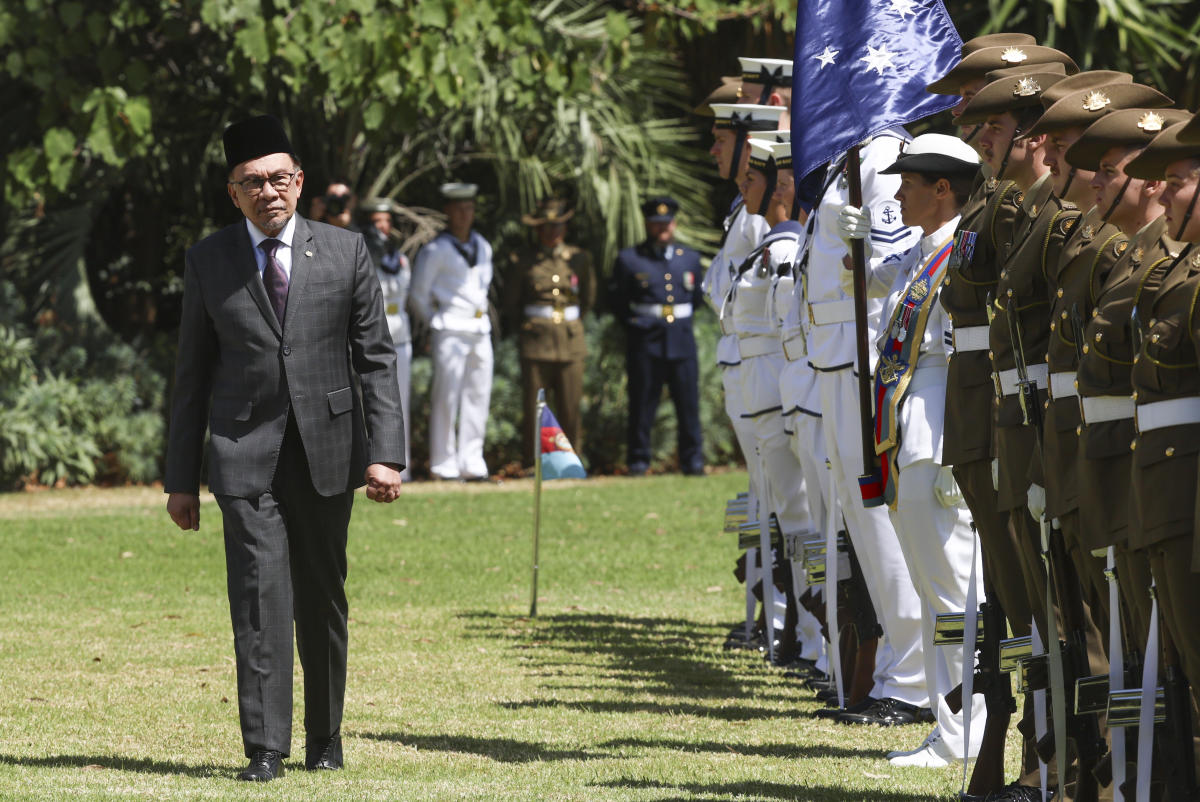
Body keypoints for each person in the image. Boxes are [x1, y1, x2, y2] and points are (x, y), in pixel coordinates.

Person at [163, 114, 405, 781]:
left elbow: (376, 360)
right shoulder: (209, 260)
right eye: (251, 182)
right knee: (258, 597)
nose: (268, 191)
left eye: (278, 178)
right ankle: (264, 749)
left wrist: (385, 453)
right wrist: (179, 479)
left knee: (321, 597)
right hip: (242, 452)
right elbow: (190, 376)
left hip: (327, 449)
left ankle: (325, 738)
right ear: (232, 192)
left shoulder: (346, 251)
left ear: (298, 182)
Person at [841, 133, 988, 767]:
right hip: (907, 429)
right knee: (936, 594)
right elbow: (875, 282)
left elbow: (965, 359)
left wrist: (960, 447)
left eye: (909, 182)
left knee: (955, 594)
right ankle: (949, 727)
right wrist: (857, 242)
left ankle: (968, 734)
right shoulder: (928, 252)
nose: (897, 193)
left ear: (943, 189)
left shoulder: (962, 254)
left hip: (937, 435)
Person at [608, 196, 704, 476]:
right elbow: (617, 301)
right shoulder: (630, 259)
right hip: (645, 340)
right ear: (648, 225)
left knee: (688, 404)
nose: (662, 229)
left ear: (674, 224)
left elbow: (695, 299)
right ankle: (638, 462)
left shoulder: (689, 258)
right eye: (656, 224)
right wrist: (636, 325)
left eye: (667, 223)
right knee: (642, 404)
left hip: (682, 340)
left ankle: (693, 461)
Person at [410, 183, 494, 481]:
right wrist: (436, 322)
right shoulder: (436, 249)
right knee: (446, 396)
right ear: (447, 211)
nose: (464, 214)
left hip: (479, 328)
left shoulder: (483, 245)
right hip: (450, 327)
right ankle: (444, 464)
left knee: (478, 394)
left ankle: (472, 461)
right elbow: (418, 295)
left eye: (469, 208)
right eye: (458, 208)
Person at [503, 197, 595, 466]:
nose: (552, 232)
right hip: (536, 340)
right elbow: (512, 302)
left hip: (570, 340)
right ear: (537, 229)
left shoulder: (579, 259)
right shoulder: (522, 260)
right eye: (546, 226)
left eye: (557, 226)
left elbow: (588, 300)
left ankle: (569, 461)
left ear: (564, 228)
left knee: (571, 406)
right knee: (535, 407)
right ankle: (534, 463)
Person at [362, 197, 414, 482]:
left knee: (400, 401)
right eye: (376, 221)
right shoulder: (363, 253)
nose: (383, 226)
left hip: (400, 331)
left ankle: (401, 465)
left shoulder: (399, 256)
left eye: (386, 221)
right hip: (373, 332)